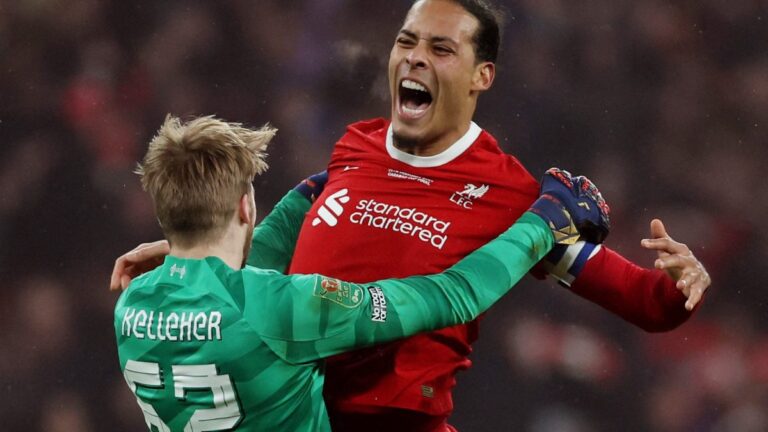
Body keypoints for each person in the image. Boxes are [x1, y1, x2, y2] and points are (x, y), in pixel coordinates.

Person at [112, 1, 711, 430]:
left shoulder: (510, 194)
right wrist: (190, 255)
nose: (414, 58)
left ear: (482, 77)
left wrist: (680, 285)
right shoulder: (356, 147)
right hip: (294, 407)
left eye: (440, 48)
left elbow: (644, 301)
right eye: (407, 40)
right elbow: (274, 248)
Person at [115, 114, 609, 431]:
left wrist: (327, 184)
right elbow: (450, 295)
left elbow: (228, 280)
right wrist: (545, 223)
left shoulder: (131, 305)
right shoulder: (282, 306)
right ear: (246, 206)